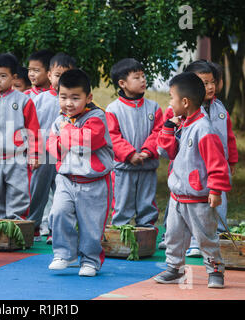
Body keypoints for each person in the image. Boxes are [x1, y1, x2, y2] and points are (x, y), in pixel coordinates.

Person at [154, 72, 231, 288]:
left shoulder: (204, 128)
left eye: (172, 98)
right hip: (177, 196)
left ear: (185, 102)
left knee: (206, 237)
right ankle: (174, 268)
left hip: (198, 199)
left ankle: (215, 269)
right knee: (173, 236)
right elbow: (168, 153)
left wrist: (215, 190)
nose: (170, 103)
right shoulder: (181, 124)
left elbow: (216, 163)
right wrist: (169, 128)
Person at [46, 69, 114, 277]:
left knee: (91, 225)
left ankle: (90, 260)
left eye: (75, 98)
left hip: (93, 182)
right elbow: (52, 146)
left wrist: (66, 134)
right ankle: (64, 254)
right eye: (63, 97)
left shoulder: (97, 116)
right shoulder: (60, 119)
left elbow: (87, 141)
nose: (69, 103)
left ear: (88, 97)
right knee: (58, 213)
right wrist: (66, 138)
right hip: (66, 179)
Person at [180, 60, 238, 257]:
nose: (210, 87)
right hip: (195, 168)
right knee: (197, 207)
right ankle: (195, 241)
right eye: (204, 83)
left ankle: (218, 238)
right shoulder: (186, 110)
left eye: (212, 82)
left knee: (218, 202)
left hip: (217, 167)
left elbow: (230, 137)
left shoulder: (220, 108)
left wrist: (232, 162)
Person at [105, 58, 163, 230]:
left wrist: (146, 152)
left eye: (143, 76)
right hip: (124, 169)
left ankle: (146, 233)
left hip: (148, 166)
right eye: (137, 77)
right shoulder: (113, 109)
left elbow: (159, 132)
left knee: (147, 204)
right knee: (122, 204)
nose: (143, 80)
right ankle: (120, 234)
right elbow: (112, 137)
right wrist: (130, 154)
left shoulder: (154, 107)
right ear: (122, 83)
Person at [0, 53, 42, 220]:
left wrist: (35, 154)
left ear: (13, 78)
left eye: (3, 76)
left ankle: (16, 228)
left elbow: (33, 130)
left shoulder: (23, 100)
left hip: (17, 158)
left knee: (19, 194)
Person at [28, 53, 77, 243]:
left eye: (66, 75)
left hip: (64, 156)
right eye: (57, 75)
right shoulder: (39, 100)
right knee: (36, 193)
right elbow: (30, 127)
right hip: (42, 155)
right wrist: (33, 151)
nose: (61, 80)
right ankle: (30, 228)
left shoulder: (74, 103)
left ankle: (55, 230)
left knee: (62, 194)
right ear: (49, 76)